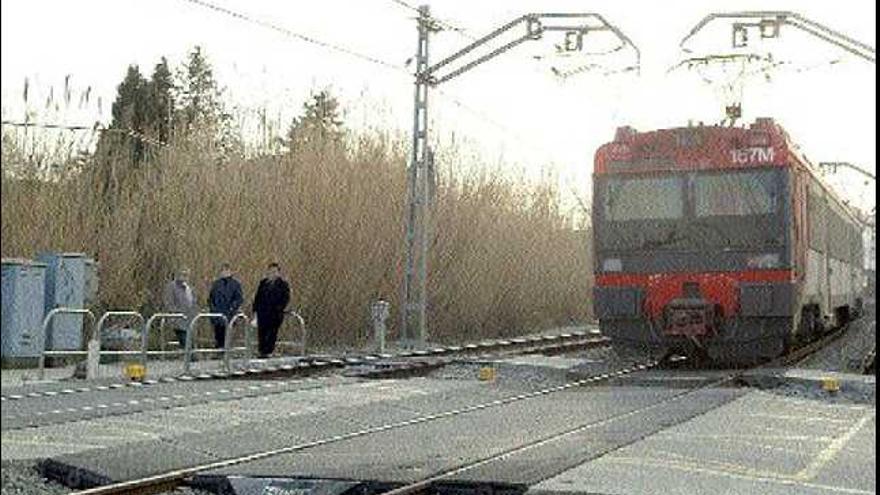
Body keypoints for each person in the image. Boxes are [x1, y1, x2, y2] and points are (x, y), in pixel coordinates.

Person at [251, 262, 291, 358]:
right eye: (270, 271)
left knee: (272, 333)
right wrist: (255, 309)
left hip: (275, 313)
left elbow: (286, 298)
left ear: (278, 273)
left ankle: (268, 352)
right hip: (263, 312)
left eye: (274, 271)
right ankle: (261, 352)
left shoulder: (283, 284)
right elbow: (258, 297)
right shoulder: (264, 283)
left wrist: (279, 308)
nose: (272, 273)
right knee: (261, 333)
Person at [207, 263, 244, 349]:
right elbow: (210, 298)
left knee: (227, 335)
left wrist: (232, 308)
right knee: (218, 335)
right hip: (217, 314)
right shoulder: (216, 284)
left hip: (229, 314)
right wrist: (213, 310)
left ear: (230, 271)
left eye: (226, 270)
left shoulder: (235, 284)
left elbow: (239, 299)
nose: (224, 272)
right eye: (222, 270)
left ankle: (225, 352)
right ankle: (219, 351)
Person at [162, 268, 198, 349]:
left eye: (187, 275)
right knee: (185, 340)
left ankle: (191, 356)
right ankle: (191, 356)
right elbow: (168, 302)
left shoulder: (190, 288)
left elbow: (194, 302)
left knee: (190, 340)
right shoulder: (172, 287)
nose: (185, 277)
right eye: (183, 275)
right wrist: (176, 314)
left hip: (190, 318)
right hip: (178, 319)